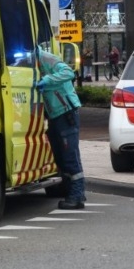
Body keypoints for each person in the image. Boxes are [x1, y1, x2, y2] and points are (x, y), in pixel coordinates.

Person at [35, 46, 87, 209]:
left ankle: (77, 195)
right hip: (56, 114)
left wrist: (47, 81)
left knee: (69, 155)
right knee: (60, 155)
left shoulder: (45, 57)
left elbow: (68, 72)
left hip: (65, 112)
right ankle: (73, 193)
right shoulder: (33, 60)